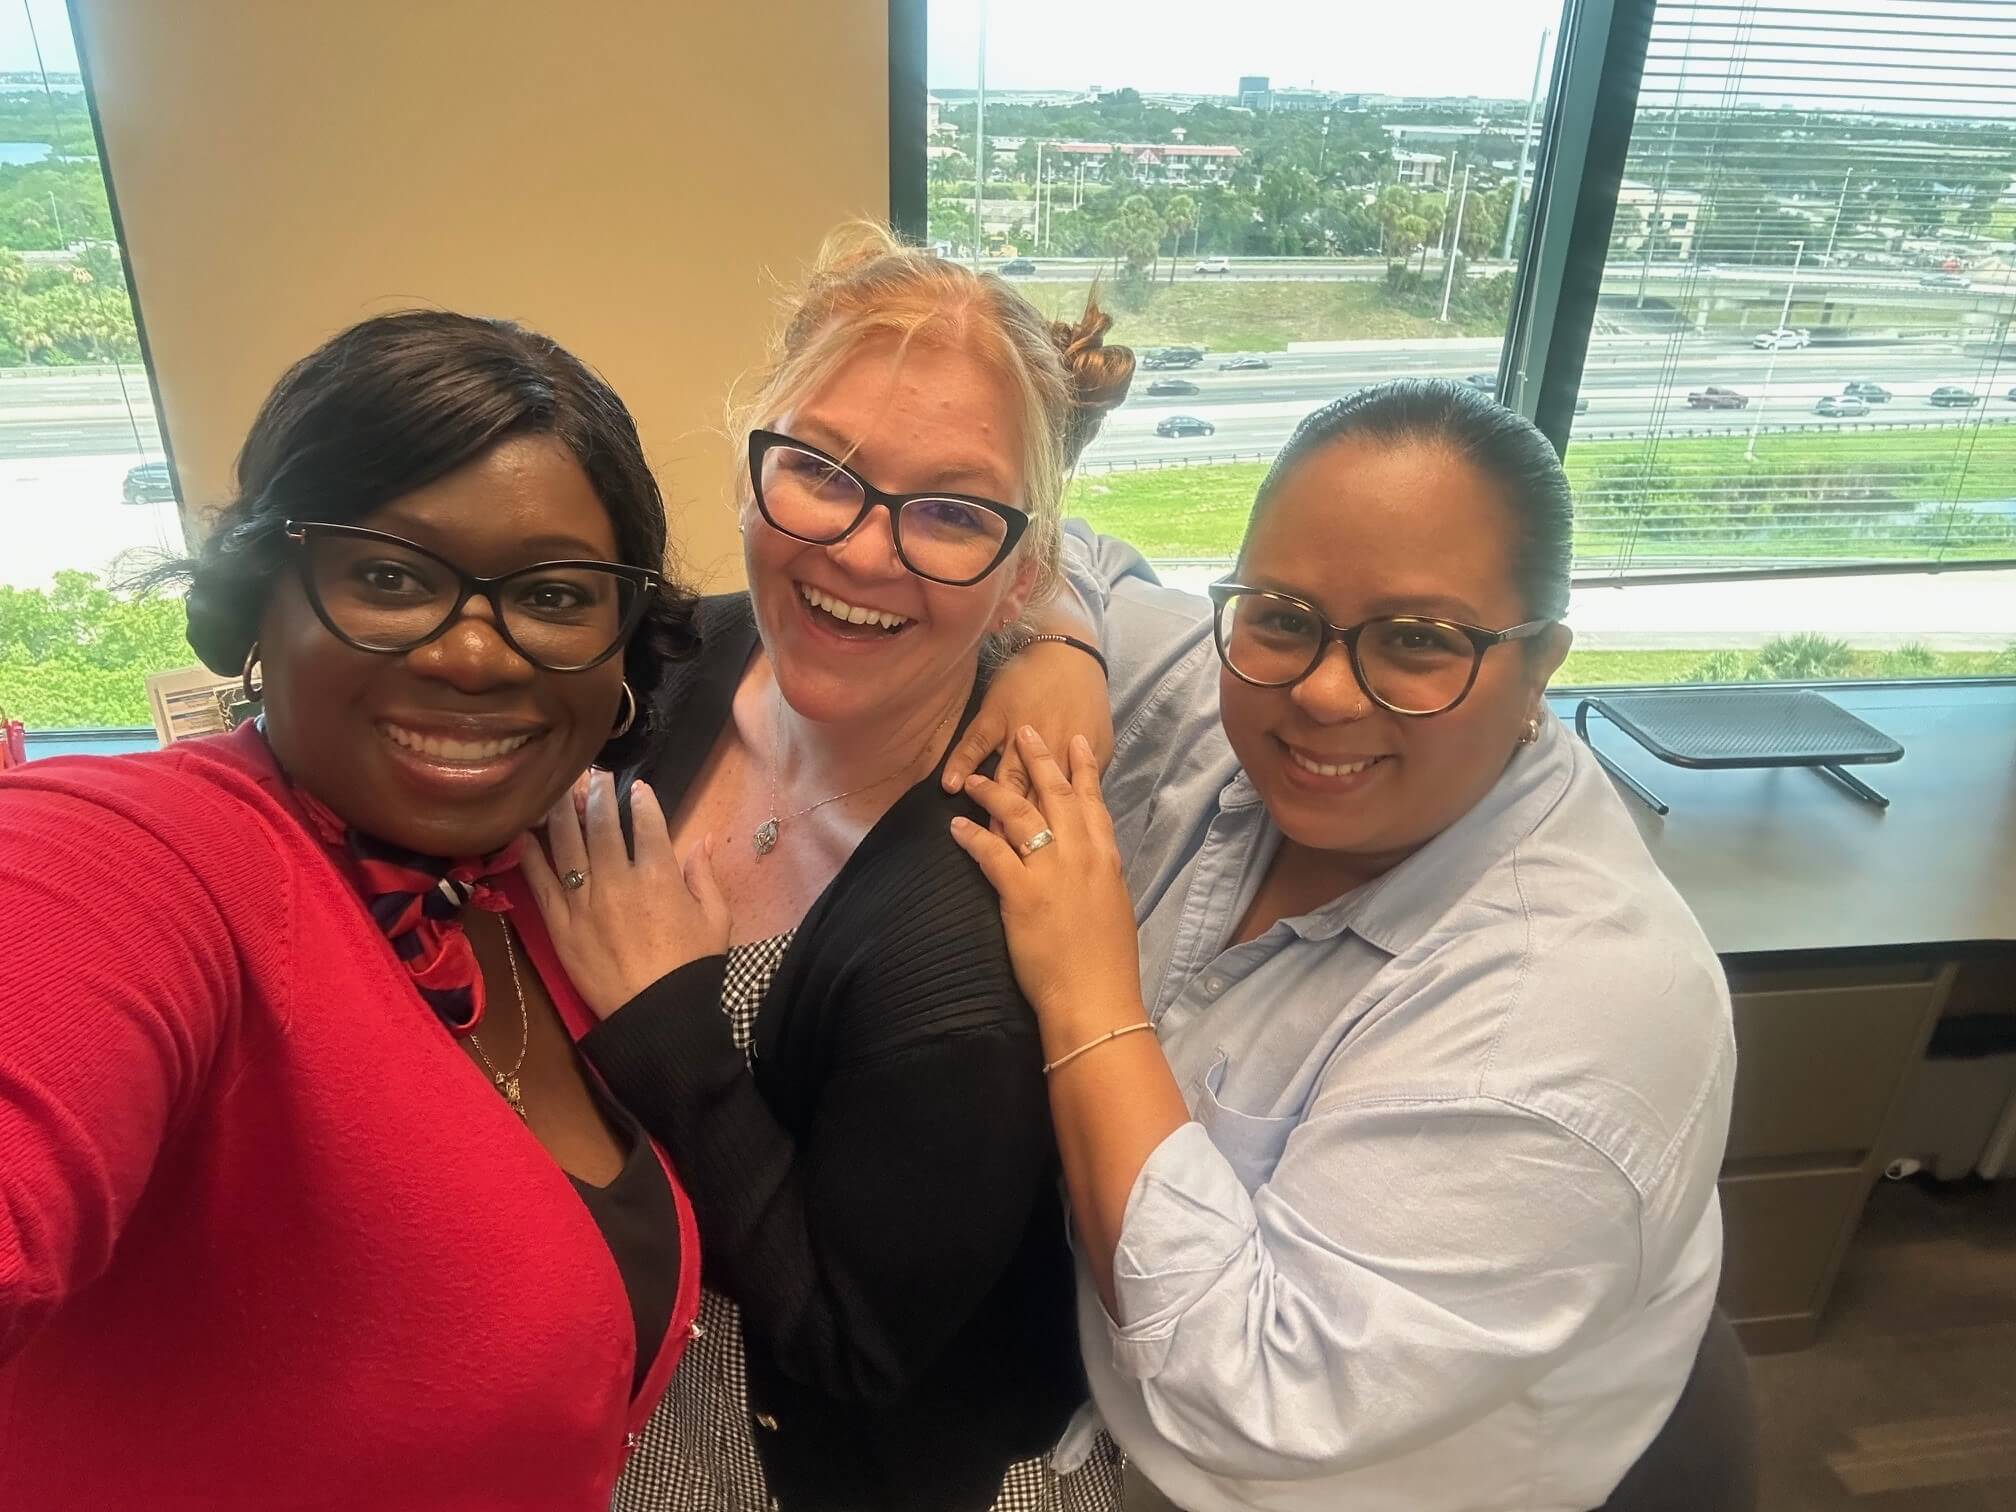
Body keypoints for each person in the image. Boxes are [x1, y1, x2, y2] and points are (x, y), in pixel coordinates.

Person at [946, 379, 1738, 1511]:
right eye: (1281, 615)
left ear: (1541, 664)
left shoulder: (1576, 1013)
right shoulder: (1223, 708)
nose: (1320, 691)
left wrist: (1085, 991)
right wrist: (1064, 644)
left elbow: (1252, 1393)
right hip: (1082, 1368)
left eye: (1418, 640)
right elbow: (1080, 550)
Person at [0, 312, 705, 1509]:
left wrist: (1056, 650)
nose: (476, 656)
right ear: (254, 602)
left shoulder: (544, 884)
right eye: (389, 577)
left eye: (550, 594)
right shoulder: (139, 857)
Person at [522, 224, 1134, 1512]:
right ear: (755, 472)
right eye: (820, 471)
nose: (861, 552)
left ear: (1025, 569)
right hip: (608, 1382)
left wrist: (665, 1028)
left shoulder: (970, 932)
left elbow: (854, 1346)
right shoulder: (673, 663)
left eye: (953, 511)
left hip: (822, 1462)